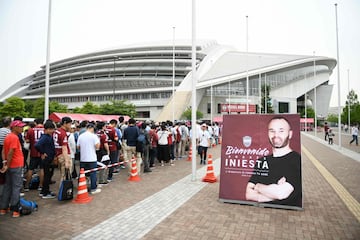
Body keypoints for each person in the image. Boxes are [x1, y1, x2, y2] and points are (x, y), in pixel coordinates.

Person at [245, 116, 302, 207]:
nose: (276, 135)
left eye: (281, 131)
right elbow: (248, 194)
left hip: (287, 215)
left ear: (290, 134)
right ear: (268, 133)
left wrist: (258, 186)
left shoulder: (296, 160)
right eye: (272, 131)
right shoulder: (262, 161)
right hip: (261, 214)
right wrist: (273, 192)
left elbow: (280, 194)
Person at [0, 120, 26, 217]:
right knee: (16, 187)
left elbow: (3, 151)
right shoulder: (14, 137)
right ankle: (15, 209)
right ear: (14, 127)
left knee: (8, 186)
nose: (21, 128)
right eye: (20, 126)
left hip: (11, 165)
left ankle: (3, 208)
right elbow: (10, 152)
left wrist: (5, 163)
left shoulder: (8, 137)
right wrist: (7, 164)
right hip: (16, 165)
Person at [77, 124, 101, 194]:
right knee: (93, 173)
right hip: (92, 158)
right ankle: (93, 188)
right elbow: (97, 147)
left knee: (82, 174)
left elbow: (78, 147)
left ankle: (81, 186)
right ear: (92, 128)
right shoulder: (94, 136)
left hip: (83, 158)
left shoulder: (81, 136)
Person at [34, 120, 56, 199]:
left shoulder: (48, 136)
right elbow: (37, 145)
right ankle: (45, 193)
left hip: (49, 158)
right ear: (47, 129)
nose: (53, 131)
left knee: (48, 175)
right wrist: (42, 152)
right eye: (52, 129)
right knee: (47, 176)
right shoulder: (45, 137)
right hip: (47, 159)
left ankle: (44, 190)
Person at [24, 118, 44, 192]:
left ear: (35, 123)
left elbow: (27, 140)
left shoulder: (31, 130)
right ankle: (41, 186)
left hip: (33, 152)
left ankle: (26, 186)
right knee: (42, 169)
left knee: (31, 169)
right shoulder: (45, 129)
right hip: (43, 153)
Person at [54, 117, 72, 183]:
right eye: (69, 124)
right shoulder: (63, 133)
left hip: (58, 154)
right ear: (65, 123)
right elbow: (64, 148)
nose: (70, 125)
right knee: (65, 175)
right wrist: (67, 160)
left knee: (63, 174)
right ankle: (63, 191)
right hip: (63, 155)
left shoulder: (57, 131)